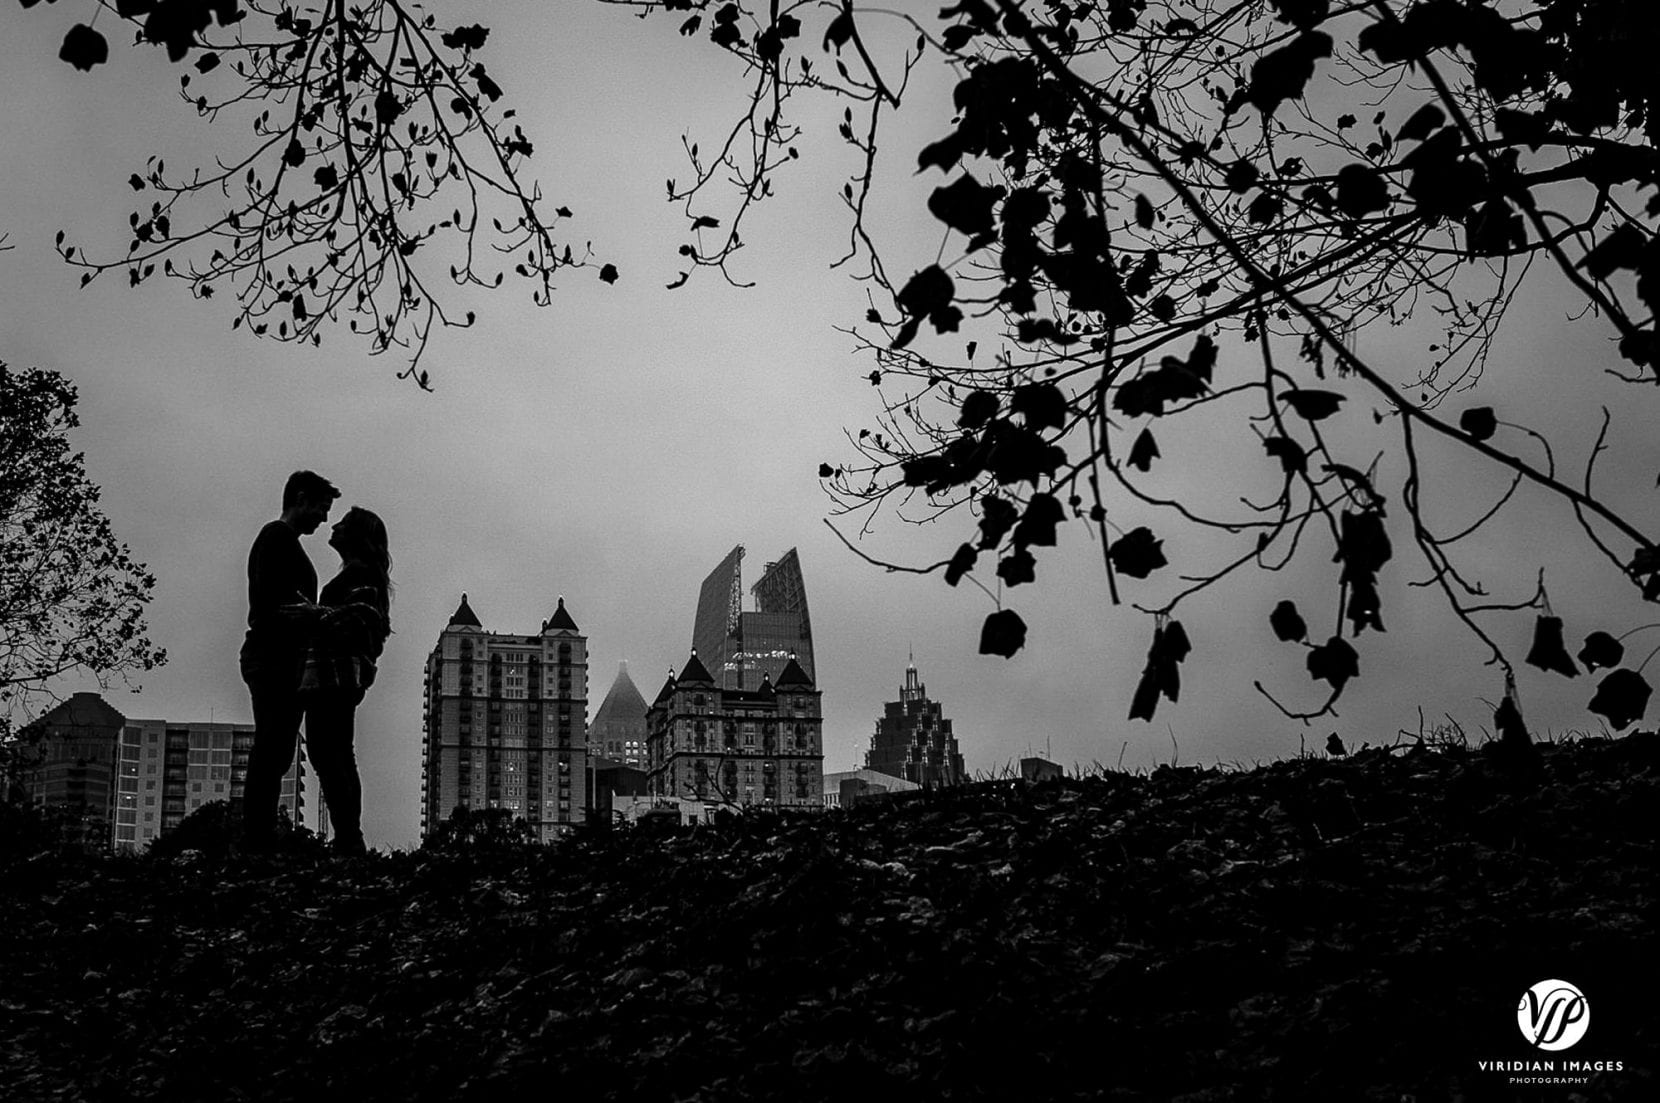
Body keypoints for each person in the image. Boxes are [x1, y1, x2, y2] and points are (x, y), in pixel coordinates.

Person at [240, 470, 339, 850]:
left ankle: (259, 839)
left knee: (277, 750)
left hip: (282, 660)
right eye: (321, 507)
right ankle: (257, 840)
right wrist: (310, 615)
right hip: (271, 659)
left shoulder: (285, 541)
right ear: (301, 498)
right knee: (271, 749)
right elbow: (269, 605)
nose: (324, 518)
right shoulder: (275, 536)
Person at [293, 505, 392, 856]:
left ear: (358, 536)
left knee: (330, 754)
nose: (334, 526)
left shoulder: (361, 574)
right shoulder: (360, 574)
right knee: (334, 754)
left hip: (334, 676)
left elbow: (359, 620)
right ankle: (349, 837)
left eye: (344, 524)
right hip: (334, 676)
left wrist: (313, 615)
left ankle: (350, 838)